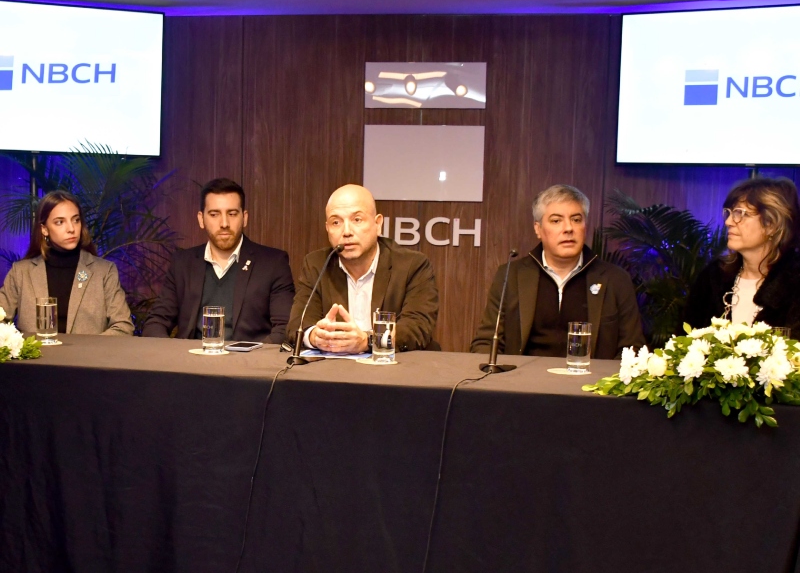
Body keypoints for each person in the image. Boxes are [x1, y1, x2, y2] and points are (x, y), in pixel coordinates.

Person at [471, 184, 645, 358]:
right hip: (523, 375)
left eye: (576, 220)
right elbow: (486, 343)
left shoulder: (616, 279)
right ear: (538, 229)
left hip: (590, 376)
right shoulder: (511, 276)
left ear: (585, 226)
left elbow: (632, 349)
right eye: (556, 221)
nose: (568, 228)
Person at [288, 184, 438, 354]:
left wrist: (368, 341)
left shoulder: (412, 265)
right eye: (336, 222)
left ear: (377, 223)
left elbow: (417, 327)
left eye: (357, 220)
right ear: (327, 228)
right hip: (334, 367)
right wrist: (315, 336)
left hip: (391, 366)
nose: (346, 232)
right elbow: (298, 323)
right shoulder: (316, 264)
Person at [142, 178, 295, 343]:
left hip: (250, 358)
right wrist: (174, 355)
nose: (224, 223)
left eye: (232, 214)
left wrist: (250, 357)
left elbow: (285, 328)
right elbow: (156, 321)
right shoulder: (182, 263)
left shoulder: (273, 264)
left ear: (244, 218)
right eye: (214, 214)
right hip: (191, 357)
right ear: (201, 219)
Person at [0, 190, 133, 335]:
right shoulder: (21, 272)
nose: (71, 229)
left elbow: (123, 327)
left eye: (76, 220)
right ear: (44, 229)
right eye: (60, 222)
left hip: (89, 351)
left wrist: (88, 348)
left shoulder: (104, 271)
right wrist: (17, 343)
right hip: (37, 350)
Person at [685, 176, 800, 335]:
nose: (728, 222)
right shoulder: (713, 277)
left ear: (772, 225)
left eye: (740, 213)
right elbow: (684, 341)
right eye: (729, 213)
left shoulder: (794, 283)